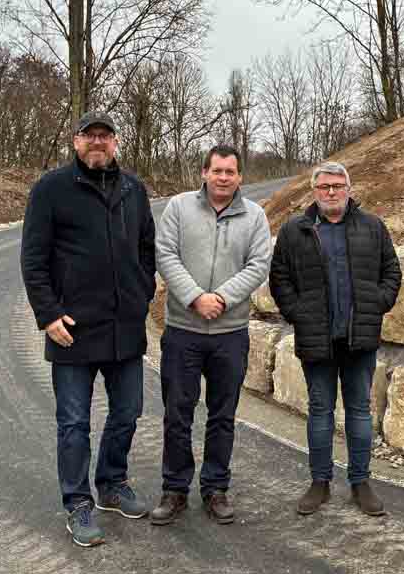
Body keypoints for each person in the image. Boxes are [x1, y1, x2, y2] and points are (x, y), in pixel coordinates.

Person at [20, 111, 156, 548]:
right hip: (72, 330)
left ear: (116, 142)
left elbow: (145, 249)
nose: (98, 142)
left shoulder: (134, 190)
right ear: (76, 141)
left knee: (127, 412)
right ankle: (78, 503)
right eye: (89, 135)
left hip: (124, 328)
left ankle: (111, 485)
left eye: (105, 135)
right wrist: (48, 315)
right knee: (74, 423)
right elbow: (33, 259)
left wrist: (142, 292)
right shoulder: (51, 189)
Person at [269, 161, 401, 517]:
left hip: (359, 339)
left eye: (338, 186)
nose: (331, 192)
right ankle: (320, 482)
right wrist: (298, 314)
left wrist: (378, 303)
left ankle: (360, 482)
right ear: (314, 191)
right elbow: (279, 278)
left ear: (348, 189)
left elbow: (391, 271)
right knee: (320, 412)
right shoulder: (295, 230)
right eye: (324, 186)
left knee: (359, 412)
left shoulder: (371, 227)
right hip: (318, 340)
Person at [150, 145, 272, 526]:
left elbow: (258, 264)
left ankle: (216, 487)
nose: (223, 177)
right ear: (203, 172)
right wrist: (194, 297)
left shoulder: (254, 216)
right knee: (177, 414)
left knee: (222, 415)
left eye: (230, 172)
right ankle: (174, 489)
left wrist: (220, 297)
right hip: (183, 331)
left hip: (229, 334)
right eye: (217, 170)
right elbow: (165, 254)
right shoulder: (179, 208)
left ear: (240, 177)